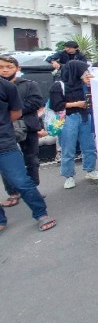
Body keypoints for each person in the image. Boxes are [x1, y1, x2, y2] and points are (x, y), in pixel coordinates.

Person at [0, 77, 56, 232]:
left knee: (21, 181)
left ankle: (41, 214)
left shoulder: (6, 86)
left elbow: (16, 113)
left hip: (4, 142)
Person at [0, 55, 44, 208]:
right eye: (1, 67)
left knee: (31, 159)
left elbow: (37, 102)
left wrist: (15, 109)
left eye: (9, 67)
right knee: (7, 164)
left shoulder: (29, 84)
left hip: (28, 127)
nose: (5, 70)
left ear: (18, 69)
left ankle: (33, 190)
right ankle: (13, 193)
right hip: (5, 131)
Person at [49, 60, 98, 189]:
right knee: (68, 148)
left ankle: (90, 170)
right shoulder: (59, 86)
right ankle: (68, 176)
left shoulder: (86, 85)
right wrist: (77, 104)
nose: (86, 73)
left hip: (85, 116)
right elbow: (56, 105)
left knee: (89, 146)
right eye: (84, 71)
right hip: (68, 118)